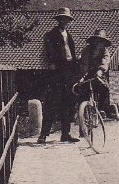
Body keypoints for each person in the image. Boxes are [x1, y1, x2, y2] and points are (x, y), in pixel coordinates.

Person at [37, 8, 79, 144]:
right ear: (58, 20)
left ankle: (65, 134)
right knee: (52, 102)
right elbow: (48, 51)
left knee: (68, 103)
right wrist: (52, 63)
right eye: (62, 19)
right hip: (57, 71)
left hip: (69, 71)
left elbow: (71, 52)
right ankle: (43, 135)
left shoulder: (69, 35)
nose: (64, 22)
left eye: (67, 20)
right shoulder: (51, 35)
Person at [77, 29, 113, 112]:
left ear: (104, 43)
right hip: (87, 73)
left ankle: (101, 109)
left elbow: (105, 62)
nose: (98, 43)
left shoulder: (105, 52)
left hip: (99, 74)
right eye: (97, 41)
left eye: (101, 41)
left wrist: (100, 70)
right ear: (93, 41)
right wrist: (82, 76)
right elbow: (84, 64)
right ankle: (82, 113)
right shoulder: (86, 50)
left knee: (104, 88)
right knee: (82, 90)